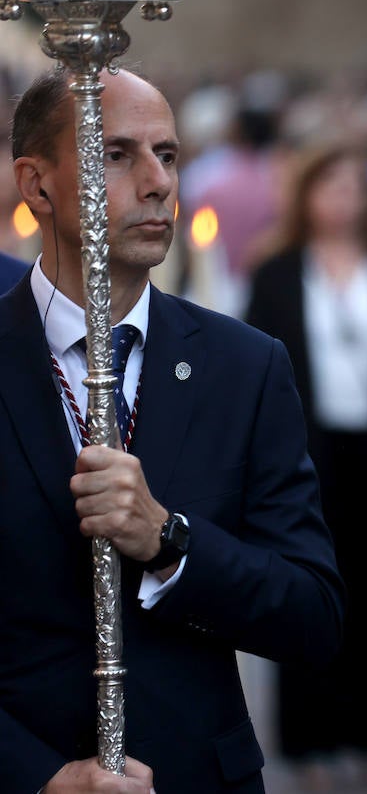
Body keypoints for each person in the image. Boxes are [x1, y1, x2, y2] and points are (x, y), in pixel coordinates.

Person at [0, 68, 344, 794]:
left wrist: (169, 540)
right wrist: (42, 778)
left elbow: (312, 614)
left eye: (170, 154)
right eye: (118, 154)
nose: (158, 182)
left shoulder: (244, 367)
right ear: (37, 184)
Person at [244, 144, 367, 788]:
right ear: (307, 196)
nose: (344, 199)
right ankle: (310, 744)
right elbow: (260, 358)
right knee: (308, 589)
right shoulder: (279, 271)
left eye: (355, 187)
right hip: (309, 452)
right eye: (331, 186)